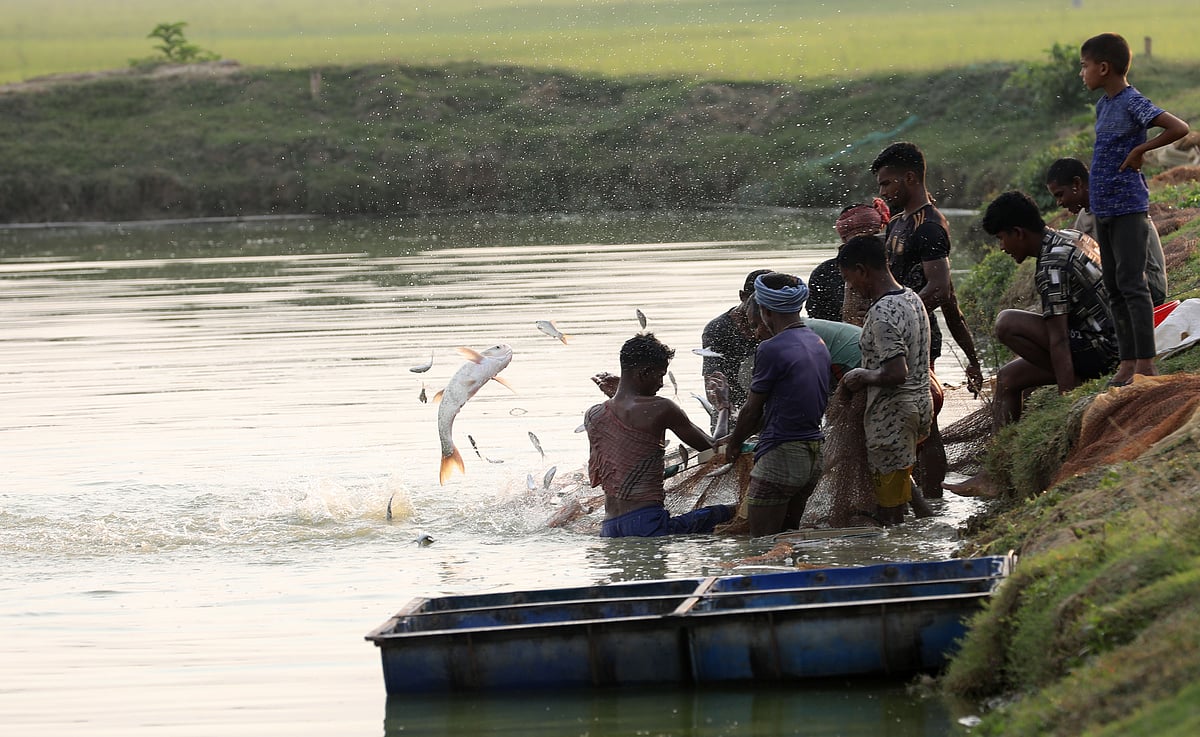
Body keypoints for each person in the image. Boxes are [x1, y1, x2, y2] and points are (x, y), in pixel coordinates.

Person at [871, 141, 982, 499]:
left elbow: (940, 291)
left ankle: (932, 500)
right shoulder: (899, 223)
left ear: (910, 178)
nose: (883, 193)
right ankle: (914, 499)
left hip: (917, 336)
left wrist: (971, 358)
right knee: (909, 421)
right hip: (898, 333)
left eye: (888, 184)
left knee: (924, 422)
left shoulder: (930, 226)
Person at [1080, 32, 1189, 386]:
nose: (1082, 73)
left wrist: (1142, 151)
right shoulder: (1104, 105)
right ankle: (1126, 361)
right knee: (1112, 284)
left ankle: (1146, 362)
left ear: (1104, 67)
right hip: (1104, 208)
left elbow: (1178, 127)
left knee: (1132, 284)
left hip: (1128, 206)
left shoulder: (1131, 101)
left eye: (1084, 67)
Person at [981, 191, 1118, 426]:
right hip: (1113, 341)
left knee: (1006, 323)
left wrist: (1067, 398)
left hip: (1104, 351)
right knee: (1006, 379)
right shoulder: (1070, 236)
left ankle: (1076, 382)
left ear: (1019, 233)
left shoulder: (1050, 266)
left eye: (1002, 238)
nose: (1002, 247)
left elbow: (1059, 339)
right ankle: (998, 456)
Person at [584, 333, 737, 537]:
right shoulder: (661, 408)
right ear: (645, 372)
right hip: (649, 525)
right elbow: (714, 448)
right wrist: (724, 407)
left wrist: (622, 389)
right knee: (737, 512)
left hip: (610, 528)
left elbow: (623, 442)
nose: (661, 383)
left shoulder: (593, 415)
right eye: (660, 375)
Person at [723, 273, 831, 537]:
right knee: (790, 539)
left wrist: (734, 445)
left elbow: (751, 409)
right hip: (812, 456)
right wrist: (738, 433)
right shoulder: (816, 342)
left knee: (761, 544)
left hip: (781, 458)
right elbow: (785, 404)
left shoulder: (771, 348)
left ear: (766, 311)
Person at [837, 235, 932, 526]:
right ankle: (927, 530)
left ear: (863, 270)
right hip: (918, 407)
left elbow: (895, 373)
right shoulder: (911, 297)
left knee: (890, 513)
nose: (851, 288)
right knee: (901, 483)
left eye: (849, 279)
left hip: (891, 419)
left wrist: (861, 375)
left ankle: (899, 559)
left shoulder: (881, 314)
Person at [1045, 157, 1167, 306]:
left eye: (1060, 194)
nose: (1059, 203)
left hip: (1148, 285)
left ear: (1077, 184)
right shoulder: (1084, 218)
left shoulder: (1115, 202)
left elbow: (1127, 263)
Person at [701, 269, 773, 419]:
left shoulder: (776, 321)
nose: (763, 312)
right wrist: (725, 408)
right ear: (743, 296)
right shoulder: (718, 329)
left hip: (770, 408)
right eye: (757, 303)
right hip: (731, 411)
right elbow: (712, 380)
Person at [806, 199, 891, 325]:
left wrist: (880, 314)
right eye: (858, 241)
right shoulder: (825, 274)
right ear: (845, 241)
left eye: (873, 237)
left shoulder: (894, 266)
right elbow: (818, 323)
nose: (866, 246)